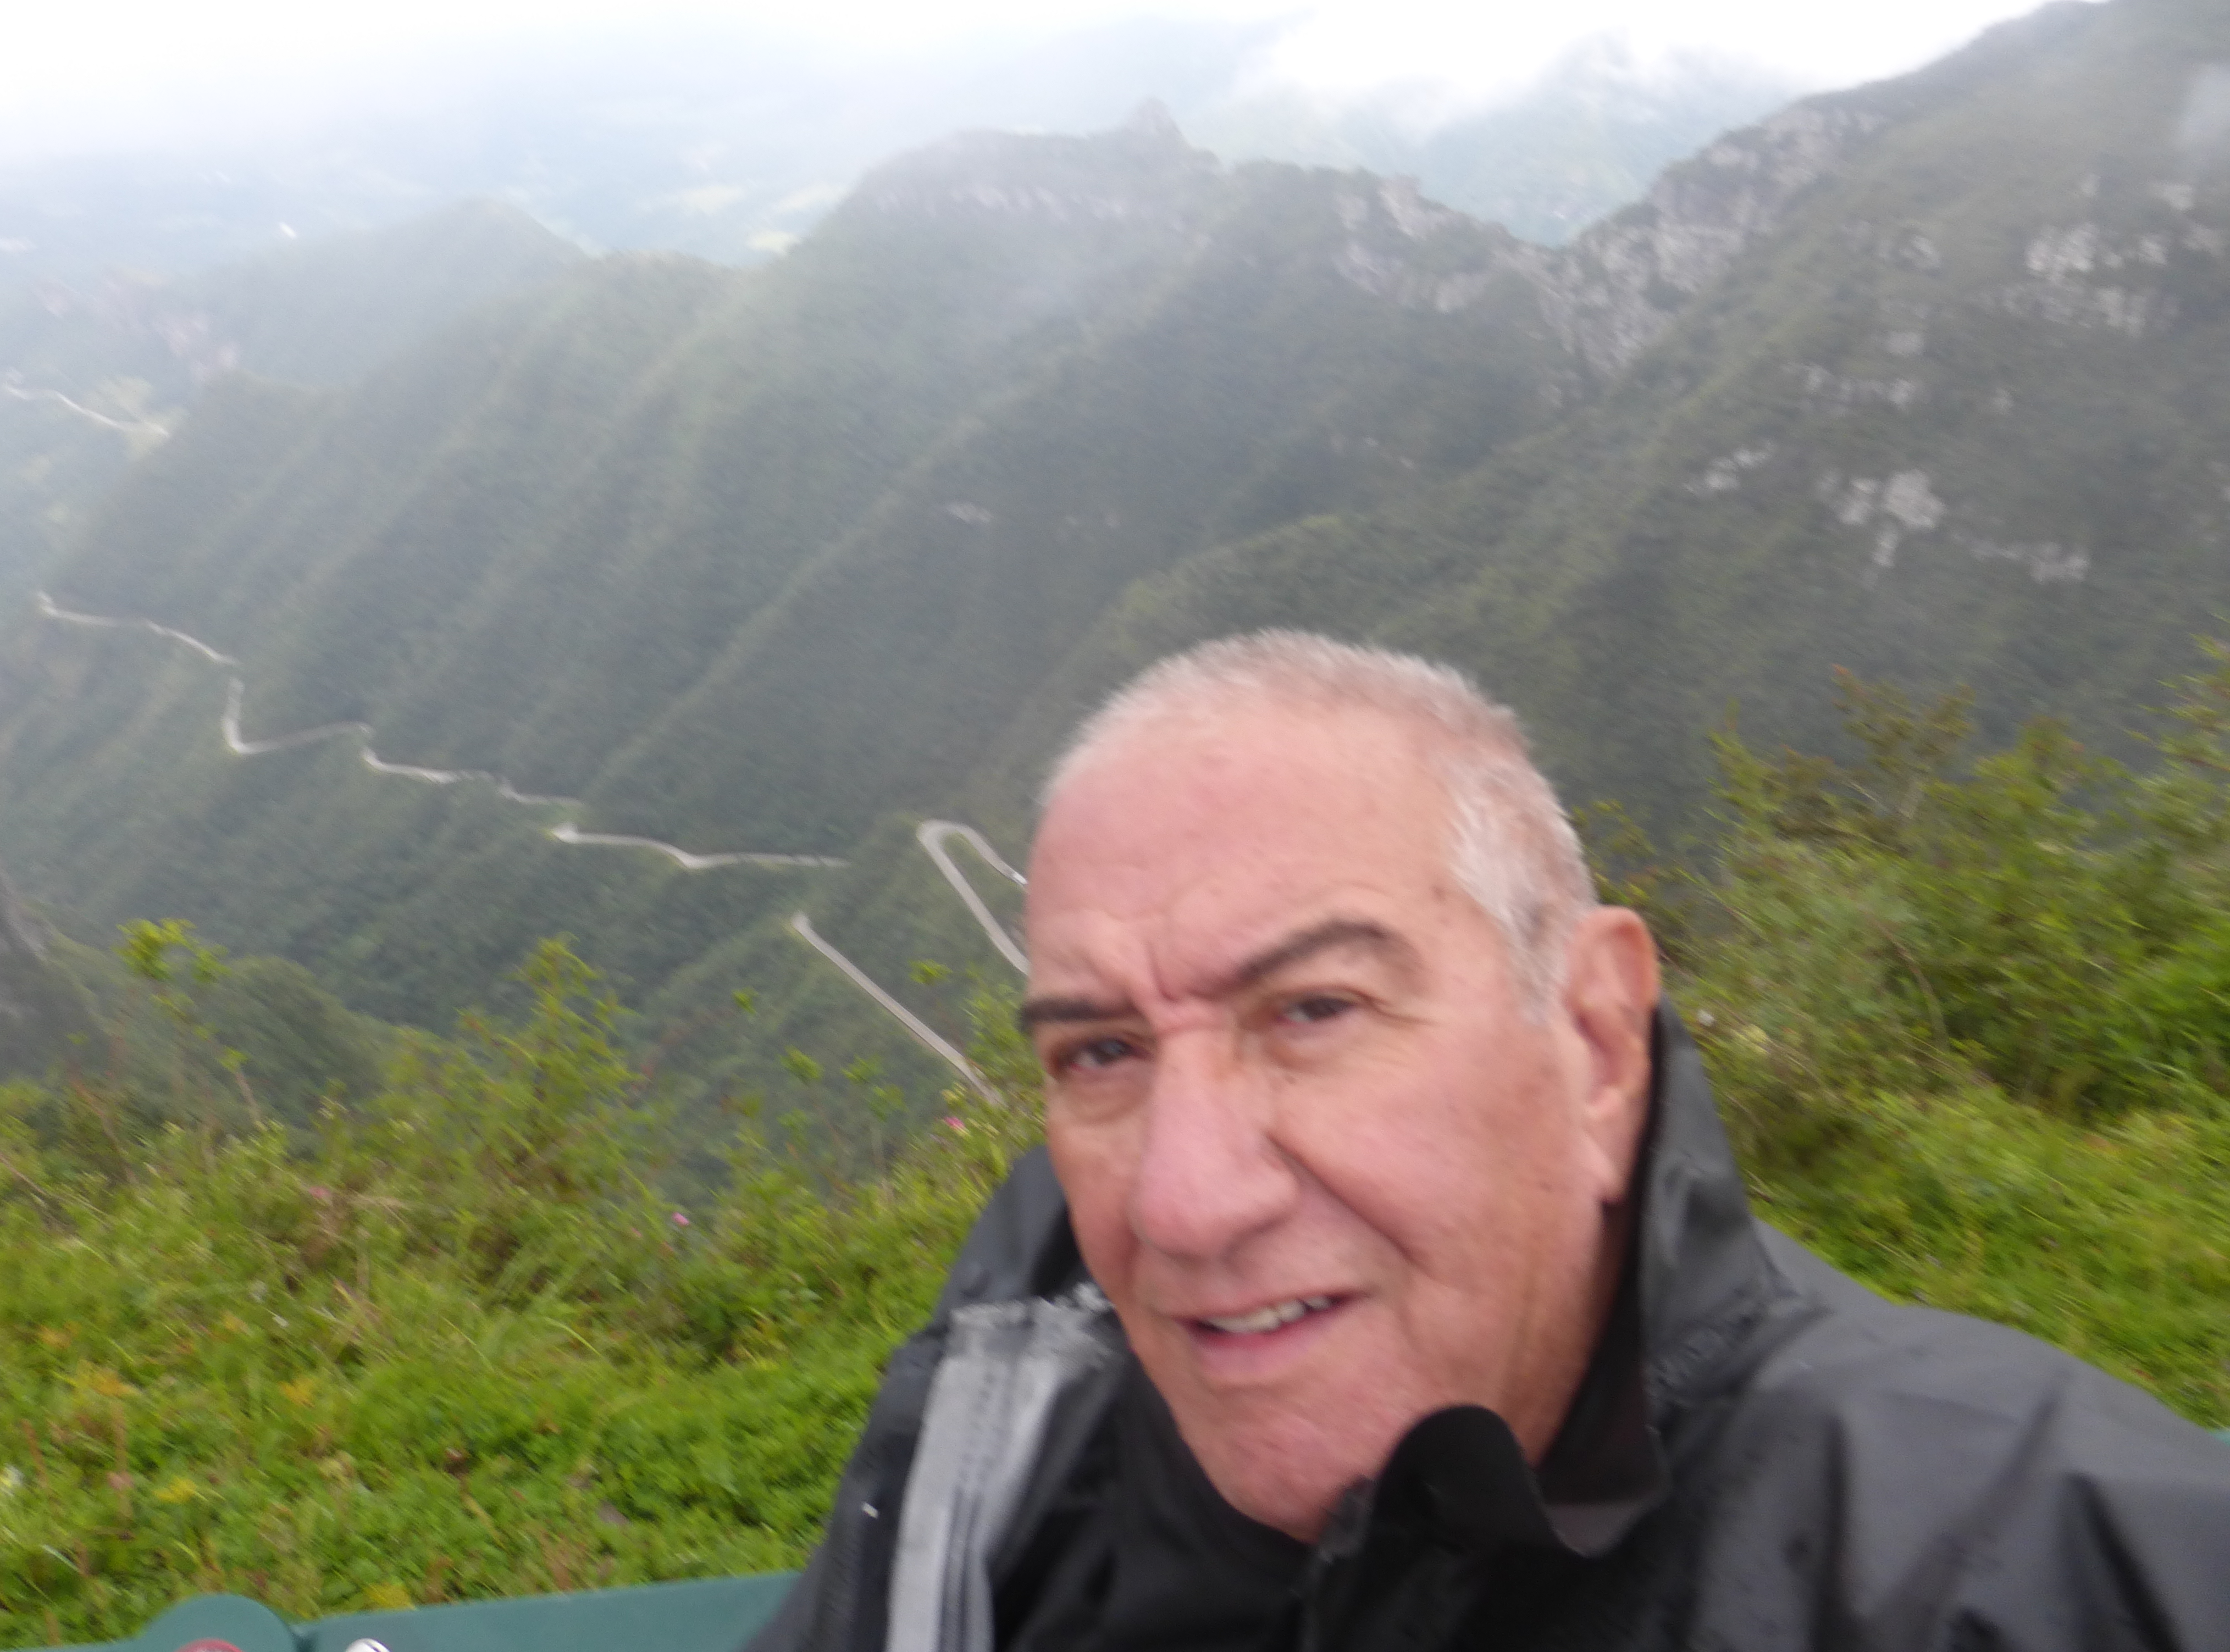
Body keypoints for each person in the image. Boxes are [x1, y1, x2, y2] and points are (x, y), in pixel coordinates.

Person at [748, 630, 2230, 1652]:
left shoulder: (2032, 1570)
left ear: (1596, 1040)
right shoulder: (999, 1440)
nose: (1186, 1204)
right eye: (1104, 1052)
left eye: (1314, 1010)